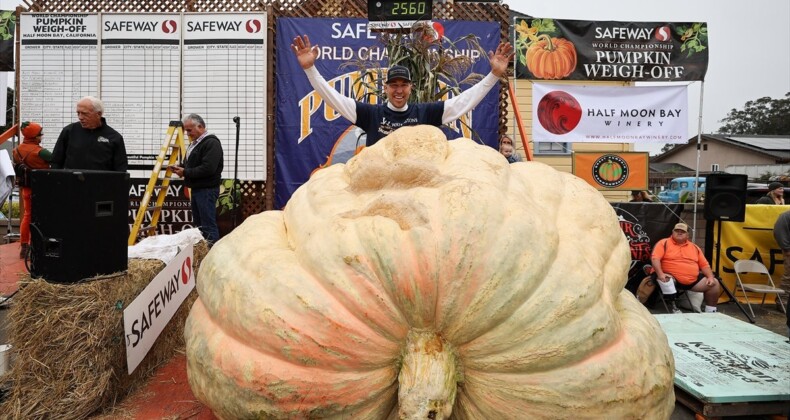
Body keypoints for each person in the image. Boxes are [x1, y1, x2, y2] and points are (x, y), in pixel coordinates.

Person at [290, 34, 513, 147]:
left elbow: (464, 101)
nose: (398, 90)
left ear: (410, 87)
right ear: (385, 88)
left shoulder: (425, 113)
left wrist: (493, 75)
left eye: (403, 85)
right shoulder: (371, 115)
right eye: (394, 85)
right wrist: (310, 69)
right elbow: (333, 98)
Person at [169, 114, 223, 245]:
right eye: (186, 130)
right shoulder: (196, 143)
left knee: (208, 226)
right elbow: (194, 164)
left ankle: (212, 256)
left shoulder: (211, 143)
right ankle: (205, 256)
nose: (187, 133)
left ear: (200, 126)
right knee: (200, 226)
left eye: (189, 130)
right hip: (199, 189)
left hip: (207, 190)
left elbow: (208, 168)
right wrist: (180, 168)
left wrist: (185, 172)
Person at [651, 222, 721, 313]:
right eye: (677, 231)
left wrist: (710, 277)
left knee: (714, 283)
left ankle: (711, 312)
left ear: (687, 235)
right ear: (672, 232)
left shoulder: (695, 247)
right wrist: (660, 274)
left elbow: (704, 265)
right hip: (670, 277)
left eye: (682, 231)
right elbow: (655, 259)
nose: (679, 233)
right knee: (667, 280)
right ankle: (674, 308)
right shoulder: (663, 243)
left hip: (692, 280)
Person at [51, 96, 128, 172]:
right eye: (78, 113)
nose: (80, 117)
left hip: (101, 183)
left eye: (85, 113)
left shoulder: (114, 137)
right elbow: (56, 161)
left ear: (98, 114)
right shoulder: (69, 131)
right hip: (71, 183)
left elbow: (121, 169)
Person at [12, 121, 51, 259]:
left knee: (27, 216)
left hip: (26, 188)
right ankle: (40, 245)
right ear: (35, 137)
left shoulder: (16, 150)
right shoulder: (42, 152)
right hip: (42, 189)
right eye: (40, 134)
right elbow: (55, 159)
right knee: (45, 216)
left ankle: (24, 246)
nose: (42, 136)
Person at [773, 210, 790, 314]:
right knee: (789, 277)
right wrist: (787, 249)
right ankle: (782, 302)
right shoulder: (786, 216)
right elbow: (779, 232)